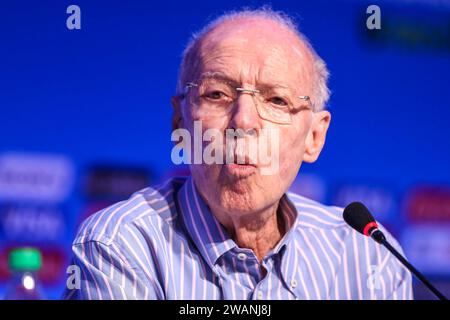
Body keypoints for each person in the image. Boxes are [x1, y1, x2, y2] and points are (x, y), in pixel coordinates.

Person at [63, 8, 412, 300]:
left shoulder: (368, 256)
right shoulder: (120, 244)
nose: (243, 122)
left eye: (276, 100)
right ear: (179, 120)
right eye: (216, 95)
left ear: (314, 137)